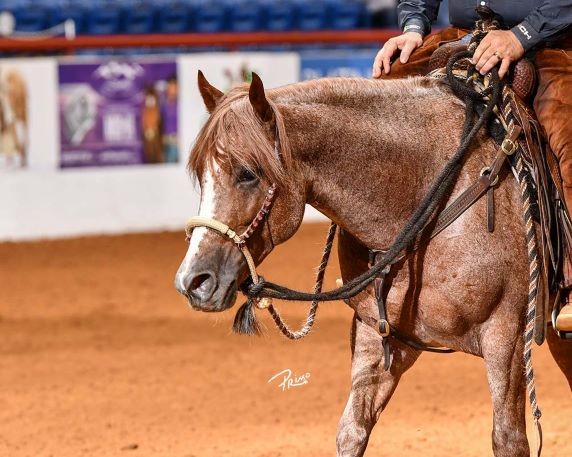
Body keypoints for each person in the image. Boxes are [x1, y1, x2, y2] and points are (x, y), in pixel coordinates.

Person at [371, 0, 572, 332]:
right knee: (380, 102)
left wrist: (522, 34)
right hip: (465, 37)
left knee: (568, 141)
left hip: (551, 43)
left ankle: (569, 282)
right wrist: (413, 27)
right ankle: (376, 261)